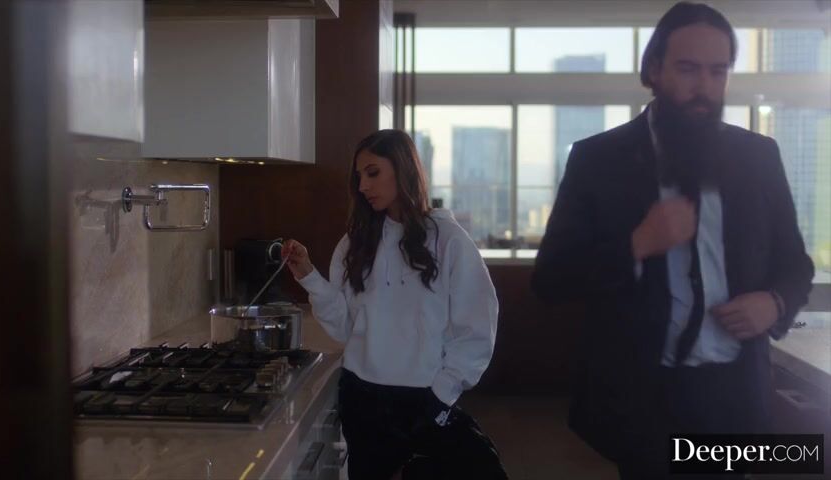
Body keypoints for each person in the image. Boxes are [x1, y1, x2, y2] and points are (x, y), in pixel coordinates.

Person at [531, 2, 815, 479]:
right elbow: (551, 280)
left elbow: (795, 264)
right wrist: (636, 244)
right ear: (653, 70)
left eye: (717, 71)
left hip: (733, 397)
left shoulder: (758, 156)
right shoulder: (598, 160)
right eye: (688, 68)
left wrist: (774, 303)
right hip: (645, 402)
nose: (704, 86)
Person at [281, 129, 508, 480]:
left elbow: (477, 328)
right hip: (362, 401)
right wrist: (308, 274)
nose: (363, 186)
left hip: (425, 400)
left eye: (373, 173)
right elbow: (344, 327)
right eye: (359, 176)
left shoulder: (450, 241)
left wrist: (441, 396)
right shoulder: (355, 243)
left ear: (402, 169)